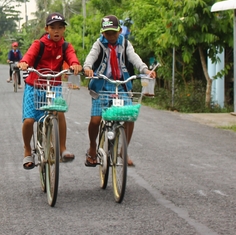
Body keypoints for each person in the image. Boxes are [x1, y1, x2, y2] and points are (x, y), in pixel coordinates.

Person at [83, 15, 156, 167]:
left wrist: (144, 69)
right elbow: (91, 57)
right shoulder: (99, 44)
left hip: (121, 84)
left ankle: (124, 150)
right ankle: (92, 146)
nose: (110, 36)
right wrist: (88, 67)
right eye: (107, 33)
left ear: (119, 31)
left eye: (113, 33)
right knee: (95, 120)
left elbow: (133, 57)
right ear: (103, 33)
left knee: (130, 116)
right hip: (101, 84)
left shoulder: (125, 43)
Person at [18, 12, 82, 169]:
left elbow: (72, 57)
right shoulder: (38, 44)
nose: (57, 31)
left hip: (53, 86)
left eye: (60, 27)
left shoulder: (65, 46)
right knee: (29, 120)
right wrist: (24, 63)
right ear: (47, 29)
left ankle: (63, 148)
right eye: (53, 28)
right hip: (34, 85)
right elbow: (28, 56)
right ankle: (27, 150)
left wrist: (75, 64)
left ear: (64, 30)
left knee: (59, 112)